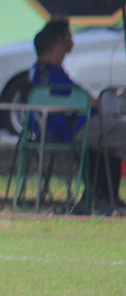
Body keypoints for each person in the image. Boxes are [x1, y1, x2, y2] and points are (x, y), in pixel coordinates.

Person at [30, 19, 124, 215]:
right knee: (116, 134)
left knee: (108, 137)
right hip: (70, 128)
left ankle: (105, 197)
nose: (72, 39)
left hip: (78, 126)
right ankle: (105, 199)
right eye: (69, 36)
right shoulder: (48, 73)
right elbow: (76, 101)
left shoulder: (49, 70)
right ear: (57, 41)